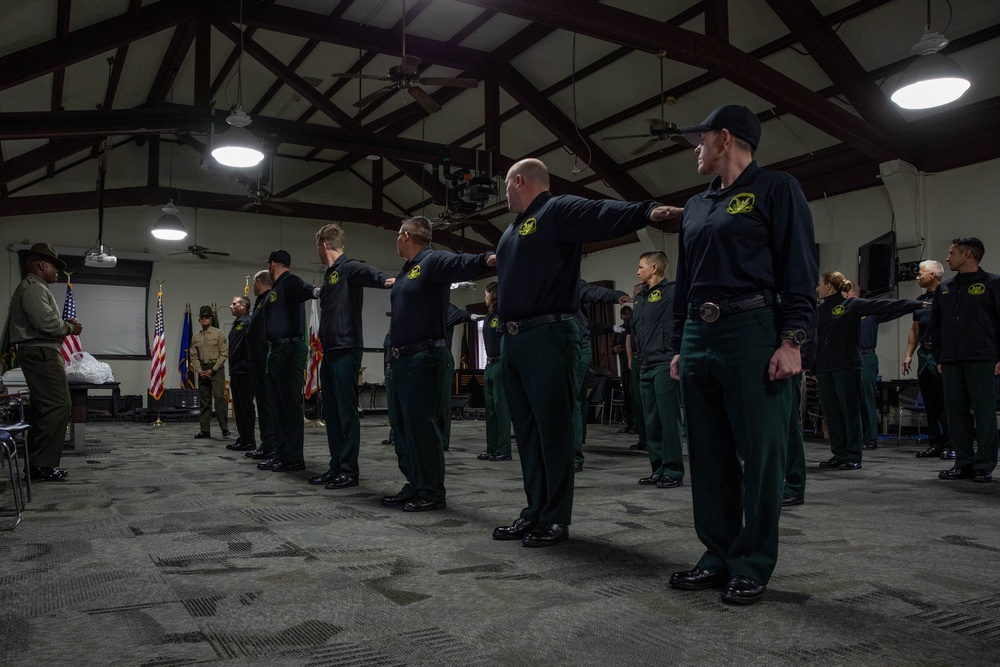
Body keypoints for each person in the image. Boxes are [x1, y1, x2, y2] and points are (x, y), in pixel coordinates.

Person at [667, 104, 817, 606]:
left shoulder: (776, 188)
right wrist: (677, 344)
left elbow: (798, 264)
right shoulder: (695, 206)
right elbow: (684, 281)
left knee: (760, 454)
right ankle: (718, 553)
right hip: (698, 333)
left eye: (701, 138)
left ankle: (752, 561)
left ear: (725, 138)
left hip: (752, 328)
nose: (696, 148)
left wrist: (793, 338)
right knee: (708, 454)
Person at [491, 157, 681, 548]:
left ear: (520, 180)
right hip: (515, 340)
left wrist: (646, 209)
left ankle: (555, 518)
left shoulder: (555, 209)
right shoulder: (513, 228)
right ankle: (534, 511)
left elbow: (601, 211)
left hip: (548, 334)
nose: (504, 192)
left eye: (506, 185)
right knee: (526, 433)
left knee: (553, 432)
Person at [383, 216, 495, 512]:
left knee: (422, 427)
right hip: (403, 359)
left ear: (406, 235)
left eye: (397, 235)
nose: (396, 239)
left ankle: (431, 492)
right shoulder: (408, 271)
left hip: (424, 358)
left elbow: (461, 264)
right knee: (404, 427)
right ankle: (414, 484)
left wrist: (489, 258)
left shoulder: (431, 261)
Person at [311, 223, 394, 490]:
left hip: (347, 349)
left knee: (346, 413)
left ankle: (349, 470)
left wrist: (385, 279)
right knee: (332, 413)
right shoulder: (330, 275)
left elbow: (367, 272)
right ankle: (336, 466)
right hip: (330, 351)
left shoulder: (348, 268)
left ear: (323, 246)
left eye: (317, 248)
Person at [813, 271, 923, 470]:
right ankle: (839, 454)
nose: (817, 288)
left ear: (829, 286)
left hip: (846, 366)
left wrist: (917, 304)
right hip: (823, 367)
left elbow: (886, 305)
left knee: (849, 411)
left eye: (820, 284)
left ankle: (853, 455)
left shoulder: (851, 305)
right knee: (833, 413)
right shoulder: (819, 311)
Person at [9, 243, 82, 482]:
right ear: (42, 265)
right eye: (54, 266)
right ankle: (42, 465)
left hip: (38, 351)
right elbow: (47, 324)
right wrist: (70, 327)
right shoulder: (33, 288)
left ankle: (35, 464)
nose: (57, 272)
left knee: (43, 408)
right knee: (58, 405)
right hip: (41, 351)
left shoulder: (34, 287)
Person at [932, 237, 1000, 483]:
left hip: (982, 359)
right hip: (950, 361)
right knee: (956, 413)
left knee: (984, 414)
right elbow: (936, 326)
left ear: (968, 254)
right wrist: (939, 355)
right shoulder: (944, 289)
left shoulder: (993, 284)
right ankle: (963, 463)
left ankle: (984, 465)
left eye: (952, 253)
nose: (948, 257)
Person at [256, 249, 315, 473]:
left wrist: (318, 291)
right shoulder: (277, 288)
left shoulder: (290, 281)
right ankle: (280, 454)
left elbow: (305, 289)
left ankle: (293, 457)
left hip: (290, 349)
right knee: (278, 406)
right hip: (277, 350)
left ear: (272, 264)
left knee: (289, 406)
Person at [631, 251, 684, 489]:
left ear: (654, 268)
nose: (638, 271)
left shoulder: (673, 292)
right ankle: (658, 468)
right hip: (646, 364)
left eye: (641, 266)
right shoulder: (639, 298)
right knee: (651, 420)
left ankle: (673, 469)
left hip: (665, 363)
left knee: (668, 420)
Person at [573, 280, 629, 472]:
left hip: (578, 347)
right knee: (571, 398)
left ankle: (574, 453)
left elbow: (592, 292)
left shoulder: (572, 283)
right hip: (557, 346)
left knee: (573, 397)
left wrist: (616, 295)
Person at [902, 260, 951, 459]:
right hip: (925, 354)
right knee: (930, 402)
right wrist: (908, 355)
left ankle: (951, 444)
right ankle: (936, 444)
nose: (917, 277)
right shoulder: (920, 301)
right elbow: (915, 329)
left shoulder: (948, 295)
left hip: (943, 355)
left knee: (947, 401)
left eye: (920, 273)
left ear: (932, 275)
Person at [477, 282, 512, 462]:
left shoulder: (503, 315)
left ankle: (504, 449)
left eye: (486, 294)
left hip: (500, 365)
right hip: (489, 366)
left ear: (494, 295)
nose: (484, 297)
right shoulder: (488, 316)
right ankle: (492, 449)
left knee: (501, 409)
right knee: (490, 410)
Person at [245, 270, 277, 461]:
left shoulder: (268, 300)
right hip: (256, 359)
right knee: (263, 404)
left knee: (267, 405)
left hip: (264, 358)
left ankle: (270, 445)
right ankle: (267, 443)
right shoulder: (260, 301)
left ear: (257, 282)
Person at [191, 305, 229, 440]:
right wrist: (200, 370)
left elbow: (224, 354)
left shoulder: (218, 334)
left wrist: (212, 370)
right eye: (202, 317)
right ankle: (205, 430)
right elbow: (194, 356)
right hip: (202, 368)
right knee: (204, 400)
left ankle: (224, 428)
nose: (204, 319)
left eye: (207, 317)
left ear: (211, 319)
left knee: (219, 397)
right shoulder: (196, 337)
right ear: (199, 319)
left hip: (216, 368)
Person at [226, 295, 255, 452]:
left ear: (243, 306)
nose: (231, 306)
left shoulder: (248, 323)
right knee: (239, 407)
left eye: (234, 303)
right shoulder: (237, 324)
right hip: (236, 370)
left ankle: (249, 440)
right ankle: (243, 438)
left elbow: (247, 347)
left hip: (245, 371)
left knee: (245, 406)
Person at [625, 283, 647, 451]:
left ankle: (653, 441)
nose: (632, 296)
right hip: (637, 358)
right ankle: (643, 439)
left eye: (635, 292)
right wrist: (630, 358)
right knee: (638, 401)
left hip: (649, 358)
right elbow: (629, 335)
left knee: (649, 403)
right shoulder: (633, 314)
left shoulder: (650, 308)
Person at [611, 306, 634, 432]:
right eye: (624, 314)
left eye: (628, 313)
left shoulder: (634, 327)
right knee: (628, 398)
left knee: (636, 397)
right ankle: (629, 423)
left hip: (634, 366)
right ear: (621, 316)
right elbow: (612, 347)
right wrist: (615, 350)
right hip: (624, 367)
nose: (627, 316)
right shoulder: (619, 330)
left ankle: (637, 425)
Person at [381, 326, 395, 446]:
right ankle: (393, 435)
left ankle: (398, 436)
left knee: (398, 406)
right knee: (391, 406)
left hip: (399, 369)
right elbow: (386, 352)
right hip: (390, 369)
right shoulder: (389, 333)